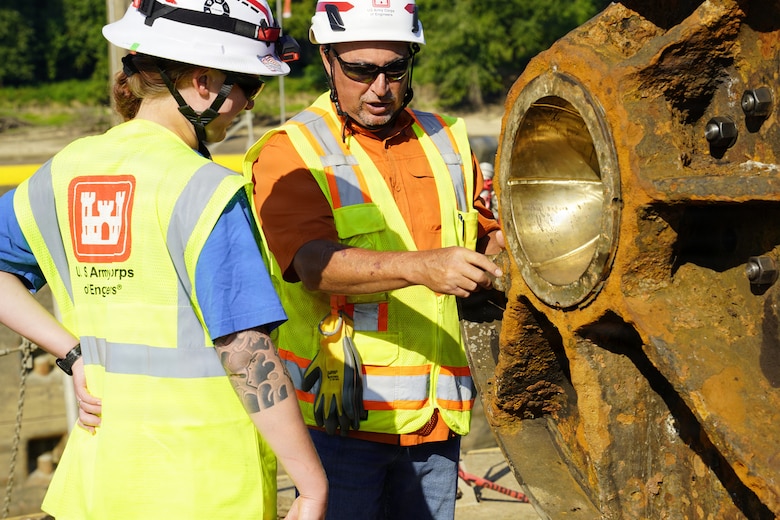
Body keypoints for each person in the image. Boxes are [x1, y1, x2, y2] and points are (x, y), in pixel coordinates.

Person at [0, 1, 327, 518]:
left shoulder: (66, 169)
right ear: (202, 81)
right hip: (204, 488)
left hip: (97, 485)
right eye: (249, 87)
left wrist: (72, 353)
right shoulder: (207, 191)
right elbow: (246, 353)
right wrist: (310, 487)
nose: (248, 105)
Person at [243, 1, 504, 518]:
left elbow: (487, 234)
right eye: (361, 70)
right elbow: (312, 263)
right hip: (340, 426)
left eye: (395, 69)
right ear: (327, 60)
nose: (380, 88)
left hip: (437, 420)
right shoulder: (290, 150)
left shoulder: (449, 138)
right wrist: (424, 267)